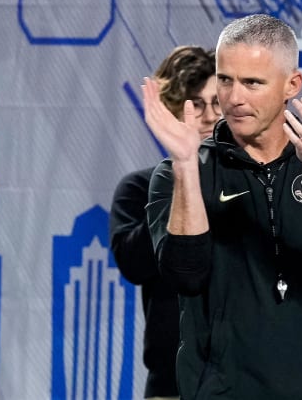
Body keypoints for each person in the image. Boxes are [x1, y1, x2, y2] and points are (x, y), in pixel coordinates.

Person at [143, 14, 302, 399]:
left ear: (292, 84)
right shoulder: (178, 173)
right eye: (225, 79)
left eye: (252, 82)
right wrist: (187, 167)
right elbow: (184, 276)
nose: (234, 98)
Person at [109, 45, 218, 400]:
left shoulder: (254, 187)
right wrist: (183, 171)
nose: (206, 116)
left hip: (249, 380)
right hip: (171, 383)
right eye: (194, 104)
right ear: (171, 110)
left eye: (216, 103)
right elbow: (134, 264)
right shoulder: (139, 188)